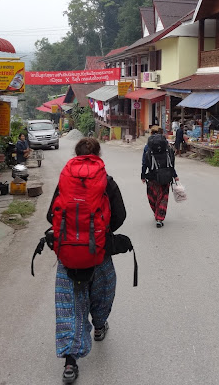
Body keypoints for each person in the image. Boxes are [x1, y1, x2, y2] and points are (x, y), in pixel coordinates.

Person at [46, 137, 127, 384]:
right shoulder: (107, 181)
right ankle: (100, 326)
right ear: (98, 155)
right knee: (103, 291)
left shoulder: (65, 181)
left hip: (68, 254)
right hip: (98, 253)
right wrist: (101, 233)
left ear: (76, 154)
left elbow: (52, 215)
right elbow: (120, 216)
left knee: (70, 304)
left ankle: (70, 363)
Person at [141, 126, 178, 228]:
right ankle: (160, 218)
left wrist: (143, 175)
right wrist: (175, 175)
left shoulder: (147, 147)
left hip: (152, 177)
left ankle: (156, 213)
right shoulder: (167, 147)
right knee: (163, 198)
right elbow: (171, 163)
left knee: (153, 197)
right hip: (166, 176)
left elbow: (144, 163)